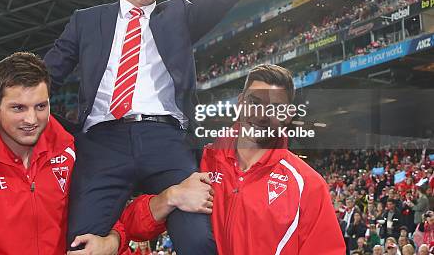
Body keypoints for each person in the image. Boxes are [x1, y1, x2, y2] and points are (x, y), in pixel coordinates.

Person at [44, 0, 287, 253]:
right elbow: (45, 76)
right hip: (101, 144)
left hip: (167, 142)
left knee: (199, 240)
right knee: (81, 244)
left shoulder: (179, 16)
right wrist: (3, 108)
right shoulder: (86, 21)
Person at [0, 52, 141, 255]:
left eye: (40, 106)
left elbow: (108, 214)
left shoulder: (74, 149)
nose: (32, 120)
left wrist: (113, 241)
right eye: (18, 108)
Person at [119, 64, 346, 254]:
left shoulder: (308, 185)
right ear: (240, 103)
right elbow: (131, 224)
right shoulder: (199, 160)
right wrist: (170, 197)